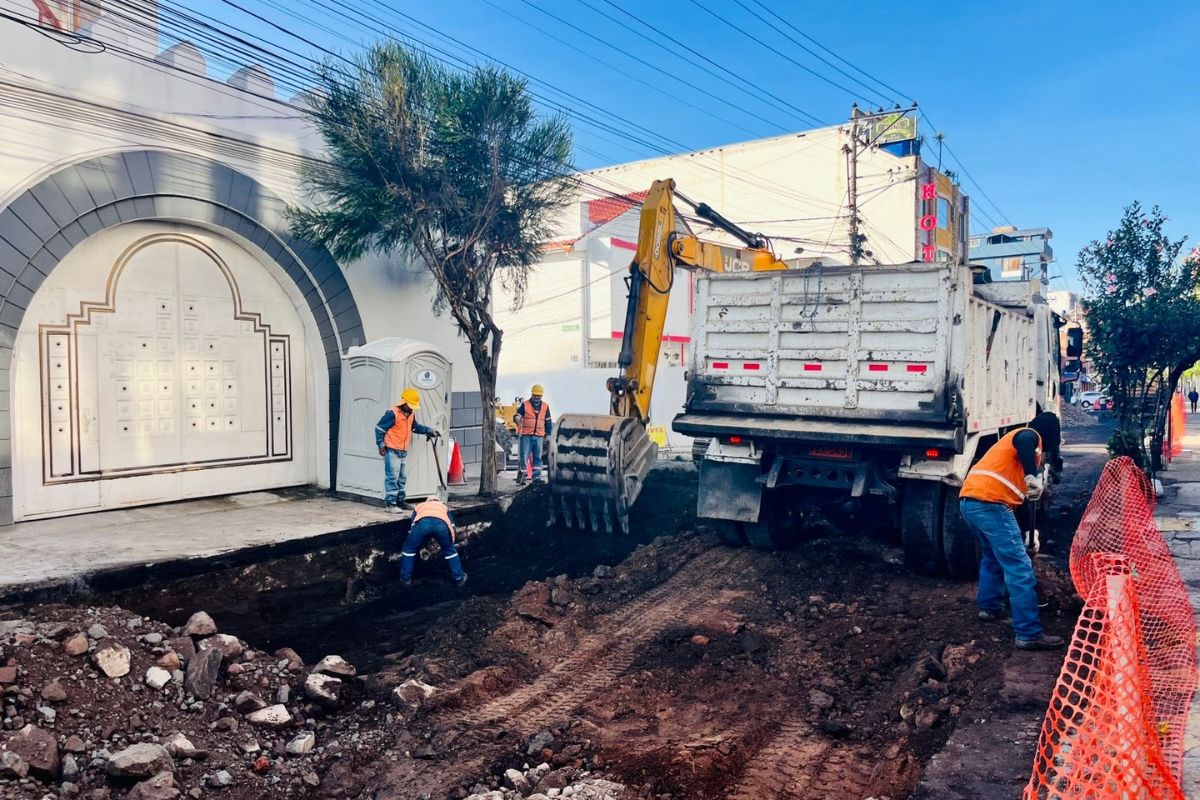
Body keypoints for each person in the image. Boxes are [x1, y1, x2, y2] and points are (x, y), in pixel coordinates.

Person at [958, 412, 1064, 651]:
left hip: (970, 502)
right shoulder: (1029, 436)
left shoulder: (1008, 455)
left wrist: (1029, 534)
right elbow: (1025, 441)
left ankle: (989, 607)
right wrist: (1031, 475)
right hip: (990, 504)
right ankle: (1028, 633)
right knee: (1020, 568)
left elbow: (1022, 505)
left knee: (992, 556)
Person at [374, 388, 440, 513]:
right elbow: (379, 429)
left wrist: (429, 430)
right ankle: (390, 504)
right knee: (392, 478)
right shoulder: (392, 413)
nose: (411, 408)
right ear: (403, 402)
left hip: (403, 450)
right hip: (392, 449)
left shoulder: (411, 415)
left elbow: (414, 427)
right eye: (410, 406)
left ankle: (400, 501)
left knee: (402, 477)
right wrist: (381, 445)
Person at [398, 498, 467, 587]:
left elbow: (413, 525)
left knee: (409, 549)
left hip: (423, 524)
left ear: (427, 501)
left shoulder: (419, 506)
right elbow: (452, 526)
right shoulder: (443, 506)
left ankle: (405, 579)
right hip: (441, 525)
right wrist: (450, 542)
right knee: (450, 551)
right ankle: (459, 578)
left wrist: (420, 542)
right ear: (438, 501)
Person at [515, 384, 553, 484]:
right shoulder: (525, 404)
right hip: (526, 435)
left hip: (539, 436)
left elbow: (548, 421)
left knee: (538, 457)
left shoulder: (545, 406)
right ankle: (522, 475)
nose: (537, 397)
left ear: (541, 396)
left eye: (539, 395)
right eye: (535, 395)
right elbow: (518, 415)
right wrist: (517, 418)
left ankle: (536, 476)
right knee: (524, 456)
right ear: (532, 394)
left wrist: (548, 434)